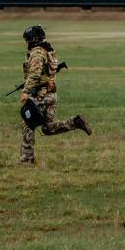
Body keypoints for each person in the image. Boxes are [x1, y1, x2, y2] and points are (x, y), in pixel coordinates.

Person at [18, 25, 92, 164]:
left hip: (42, 95)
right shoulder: (48, 51)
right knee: (48, 128)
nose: (27, 43)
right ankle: (75, 122)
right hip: (52, 95)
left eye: (28, 40)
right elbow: (47, 73)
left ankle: (26, 159)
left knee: (28, 124)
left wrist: (25, 92)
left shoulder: (37, 54)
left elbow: (34, 75)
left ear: (33, 39)